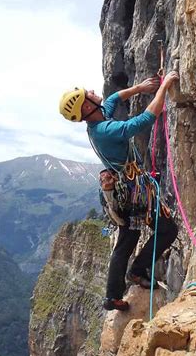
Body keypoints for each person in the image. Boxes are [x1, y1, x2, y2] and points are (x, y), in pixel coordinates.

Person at [59, 71, 179, 311]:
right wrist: (163, 87)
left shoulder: (98, 118)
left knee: (128, 238)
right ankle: (136, 271)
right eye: (88, 94)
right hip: (134, 193)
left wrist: (139, 88)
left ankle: (113, 295)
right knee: (167, 229)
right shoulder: (104, 130)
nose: (93, 92)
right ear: (85, 108)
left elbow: (113, 98)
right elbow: (143, 121)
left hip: (128, 192)